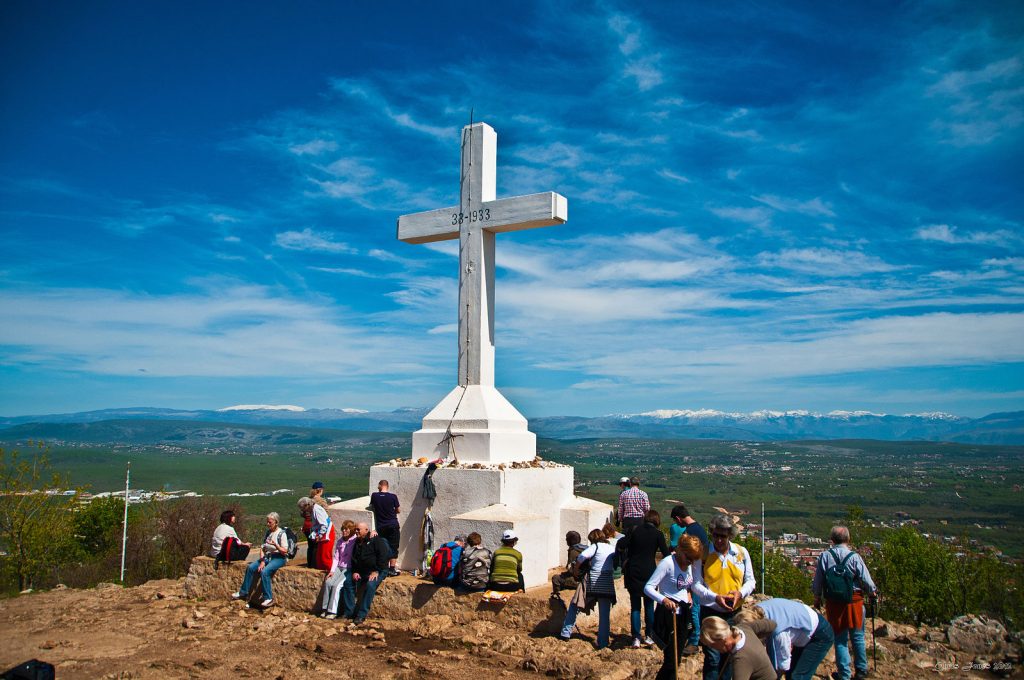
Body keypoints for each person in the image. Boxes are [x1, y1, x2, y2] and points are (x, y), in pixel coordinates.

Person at [692, 513, 757, 680]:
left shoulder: (741, 553)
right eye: (715, 535)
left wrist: (740, 593)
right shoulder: (703, 553)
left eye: (723, 536)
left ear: (730, 535)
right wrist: (715, 597)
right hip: (711, 611)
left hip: (735, 612)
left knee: (730, 656)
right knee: (712, 657)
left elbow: (750, 581)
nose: (719, 540)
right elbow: (696, 584)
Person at [812, 526, 878, 680]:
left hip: (834, 602)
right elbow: (865, 579)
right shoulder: (854, 557)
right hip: (854, 600)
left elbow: (818, 580)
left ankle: (844, 674)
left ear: (832, 540)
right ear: (848, 539)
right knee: (857, 636)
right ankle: (861, 670)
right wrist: (872, 592)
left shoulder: (825, 556)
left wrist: (817, 597)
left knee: (840, 639)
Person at [645, 535, 703, 680]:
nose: (690, 562)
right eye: (688, 558)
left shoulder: (690, 565)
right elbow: (648, 588)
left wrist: (689, 594)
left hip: (683, 612)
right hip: (668, 613)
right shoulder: (667, 563)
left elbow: (688, 585)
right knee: (671, 660)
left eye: (693, 559)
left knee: (677, 658)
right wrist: (663, 599)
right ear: (680, 550)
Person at [734, 598, 835, 680]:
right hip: (808, 626)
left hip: (820, 635)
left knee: (798, 676)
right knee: (791, 674)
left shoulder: (778, 632)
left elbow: (783, 665)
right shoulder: (759, 610)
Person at [618, 509, 670, 648]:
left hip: (633, 571)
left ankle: (635, 637)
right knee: (649, 606)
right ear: (657, 521)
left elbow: (622, 545)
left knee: (635, 606)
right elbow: (666, 554)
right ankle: (649, 635)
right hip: (650, 573)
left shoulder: (635, 530)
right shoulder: (658, 534)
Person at [559, 528, 617, 649]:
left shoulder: (595, 547)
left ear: (593, 539)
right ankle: (603, 643)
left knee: (575, 604)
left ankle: (565, 632)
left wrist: (575, 571)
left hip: (593, 581)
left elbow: (581, 557)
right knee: (604, 615)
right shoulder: (612, 547)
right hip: (607, 583)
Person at [669, 504, 709, 655]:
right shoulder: (698, 528)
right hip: (701, 572)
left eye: (676, 521)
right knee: (697, 608)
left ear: (678, 518)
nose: (677, 524)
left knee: (694, 607)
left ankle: (694, 641)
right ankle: (696, 637)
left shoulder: (690, 532)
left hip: (695, 574)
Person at [231, 512, 289, 608]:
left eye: (270, 522)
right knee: (250, 567)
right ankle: (243, 592)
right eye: (267, 522)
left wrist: (276, 546)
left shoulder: (281, 534)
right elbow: (263, 548)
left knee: (265, 572)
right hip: (267, 556)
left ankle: (268, 598)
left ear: (276, 522)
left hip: (278, 557)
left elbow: (285, 551)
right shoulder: (268, 533)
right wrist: (262, 561)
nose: (268, 524)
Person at [702, 616, 777, 680]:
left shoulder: (741, 660)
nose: (712, 648)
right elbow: (772, 624)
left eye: (712, 645)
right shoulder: (744, 628)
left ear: (721, 639)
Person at [349, 522, 391, 625]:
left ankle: (361, 615)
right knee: (348, 583)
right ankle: (348, 612)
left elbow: (383, 556)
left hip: (379, 570)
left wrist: (376, 570)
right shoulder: (357, 542)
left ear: (366, 530)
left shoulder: (375, 540)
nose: (356, 531)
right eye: (356, 529)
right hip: (363, 571)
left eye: (359, 529)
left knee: (370, 584)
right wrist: (355, 571)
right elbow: (354, 558)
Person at [320, 520, 357, 619]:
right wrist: (332, 571)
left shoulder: (354, 541)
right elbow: (336, 557)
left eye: (346, 529)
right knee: (328, 582)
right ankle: (324, 608)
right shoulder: (340, 541)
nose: (344, 531)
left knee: (337, 586)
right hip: (339, 567)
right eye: (343, 529)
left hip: (348, 568)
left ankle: (332, 611)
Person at [369, 479, 401, 576]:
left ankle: (383, 568)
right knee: (394, 547)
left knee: (383, 547)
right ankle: (392, 569)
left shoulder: (374, 496)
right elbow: (398, 510)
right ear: (387, 486)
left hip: (381, 526)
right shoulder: (393, 497)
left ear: (380, 485)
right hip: (392, 525)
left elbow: (372, 506)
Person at [298, 496, 335, 571]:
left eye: (303, 508)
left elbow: (324, 524)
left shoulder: (316, 510)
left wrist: (320, 535)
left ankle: (329, 572)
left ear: (307, 505)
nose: (303, 510)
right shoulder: (313, 509)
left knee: (325, 556)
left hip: (326, 533)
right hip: (321, 533)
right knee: (319, 556)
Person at [551, 531, 587, 598]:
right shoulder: (585, 548)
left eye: (567, 539)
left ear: (571, 540)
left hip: (578, 580)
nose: (566, 540)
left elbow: (571, 570)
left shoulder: (573, 551)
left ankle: (557, 596)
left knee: (555, 578)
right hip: (586, 578)